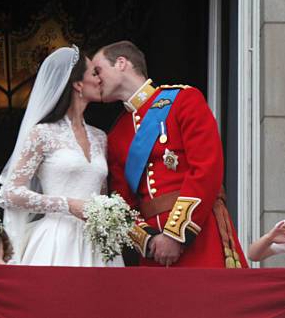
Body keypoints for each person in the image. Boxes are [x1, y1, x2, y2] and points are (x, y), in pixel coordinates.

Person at [93, 40, 247, 267]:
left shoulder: (183, 100)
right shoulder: (116, 134)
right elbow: (123, 203)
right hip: (154, 252)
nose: (95, 79)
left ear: (121, 63)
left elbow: (207, 169)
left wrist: (176, 235)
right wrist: (151, 239)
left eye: (98, 70)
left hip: (200, 238)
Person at [0, 45, 123, 267]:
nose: (100, 79)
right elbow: (10, 193)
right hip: (56, 242)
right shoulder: (42, 133)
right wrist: (67, 204)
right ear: (77, 84)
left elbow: (101, 193)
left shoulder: (100, 137)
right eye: (94, 73)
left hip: (98, 246)